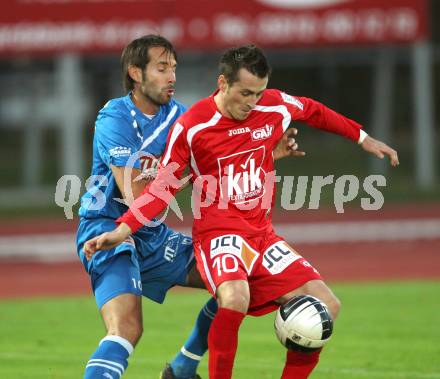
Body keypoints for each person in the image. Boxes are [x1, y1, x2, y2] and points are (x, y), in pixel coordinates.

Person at [84, 44, 399, 379]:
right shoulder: (193, 125)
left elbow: (312, 110)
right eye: (245, 93)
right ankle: (191, 366)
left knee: (326, 308)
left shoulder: (273, 105)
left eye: (259, 93)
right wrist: (122, 229)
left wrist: (362, 137)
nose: (252, 102)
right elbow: (162, 188)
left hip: (261, 234)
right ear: (223, 84)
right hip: (218, 233)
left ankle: (186, 366)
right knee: (234, 295)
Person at [77, 36, 302, 379]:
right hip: (108, 229)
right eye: (162, 68)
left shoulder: (183, 117)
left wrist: (267, 155)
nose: (172, 77)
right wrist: (181, 173)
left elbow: (218, 168)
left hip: (151, 234)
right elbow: (138, 197)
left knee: (239, 280)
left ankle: (184, 365)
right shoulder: (115, 117)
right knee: (126, 329)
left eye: (174, 69)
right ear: (135, 73)